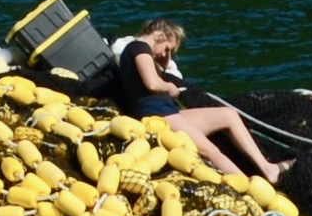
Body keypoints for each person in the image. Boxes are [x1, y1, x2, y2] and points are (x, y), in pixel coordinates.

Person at [102, 18, 282, 179]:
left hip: (168, 112)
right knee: (210, 151)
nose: (165, 54)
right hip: (159, 115)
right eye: (167, 48)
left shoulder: (141, 51)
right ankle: (248, 187)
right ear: (158, 35)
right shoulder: (139, 48)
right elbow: (152, 84)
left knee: (229, 115)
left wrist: (163, 61)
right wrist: (170, 88)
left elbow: (156, 73)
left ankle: (267, 168)